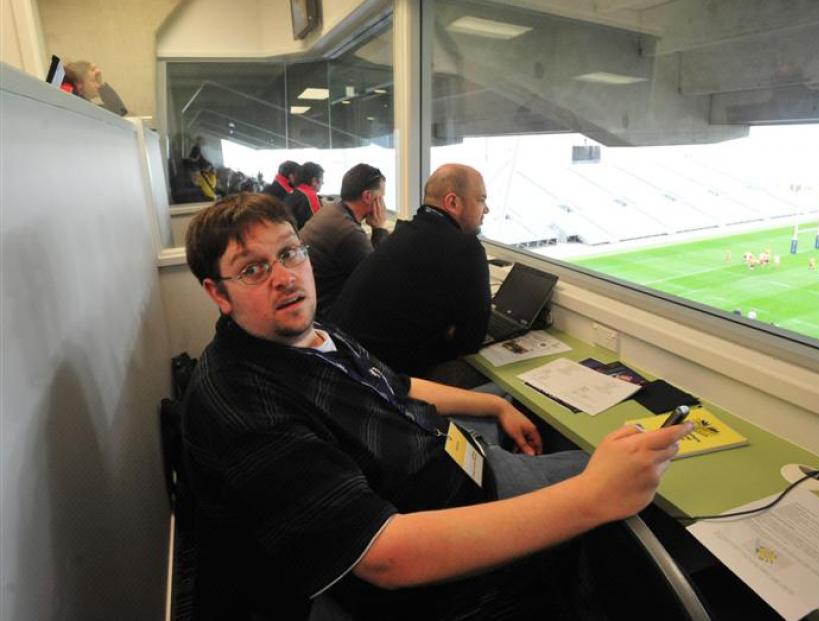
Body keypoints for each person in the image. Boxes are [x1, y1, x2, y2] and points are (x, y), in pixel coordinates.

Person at [181, 192, 692, 618]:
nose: (285, 277)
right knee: (607, 470)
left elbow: (396, 385)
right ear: (217, 294)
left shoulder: (312, 332)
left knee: (516, 406)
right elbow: (385, 556)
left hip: (447, 457)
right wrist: (592, 496)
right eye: (253, 269)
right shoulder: (241, 402)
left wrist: (491, 408)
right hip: (437, 528)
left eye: (291, 253)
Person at [330, 164, 493, 380]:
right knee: (485, 377)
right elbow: (471, 342)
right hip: (380, 380)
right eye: (481, 199)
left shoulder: (404, 232)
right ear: (452, 202)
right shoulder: (467, 248)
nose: (487, 209)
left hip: (345, 363)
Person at [299, 163, 389, 317]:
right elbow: (378, 280)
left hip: (310, 303)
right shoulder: (349, 233)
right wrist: (379, 229)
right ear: (368, 196)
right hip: (326, 315)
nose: (383, 204)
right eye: (381, 197)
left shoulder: (331, 210)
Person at [63, 61, 128, 116]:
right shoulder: (81, 109)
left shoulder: (82, 104)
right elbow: (119, 111)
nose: (98, 85)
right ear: (79, 84)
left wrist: (100, 83)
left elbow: (120, 111)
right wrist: (102, 85)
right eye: (93, 80)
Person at [283, 162, 324, 229]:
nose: (323, 183)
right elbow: (319, 227)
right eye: (322, 179)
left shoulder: (291, 194)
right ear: (314, 181)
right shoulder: (310, 196)